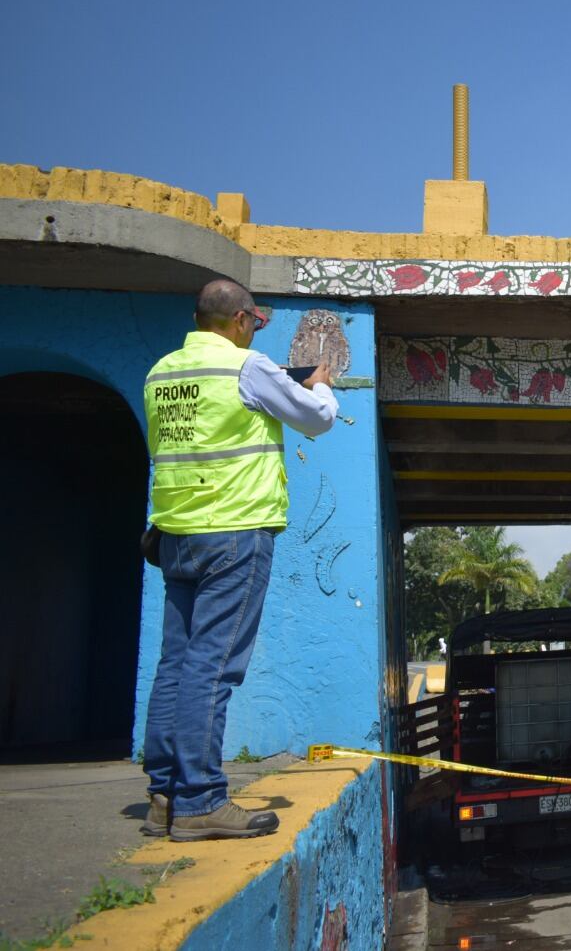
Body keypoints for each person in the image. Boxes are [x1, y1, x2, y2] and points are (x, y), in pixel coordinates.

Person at [140, 279, 340, 841]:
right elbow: (314, 419)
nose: (255, 331)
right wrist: (321, 388)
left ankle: (164, 794)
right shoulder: (247, 367)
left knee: (176, 664)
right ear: (237, 321)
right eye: (255, 322)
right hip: (235, 534)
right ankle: (201, 799)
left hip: (177, 534)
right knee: (212, 665)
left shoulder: (162, 373)